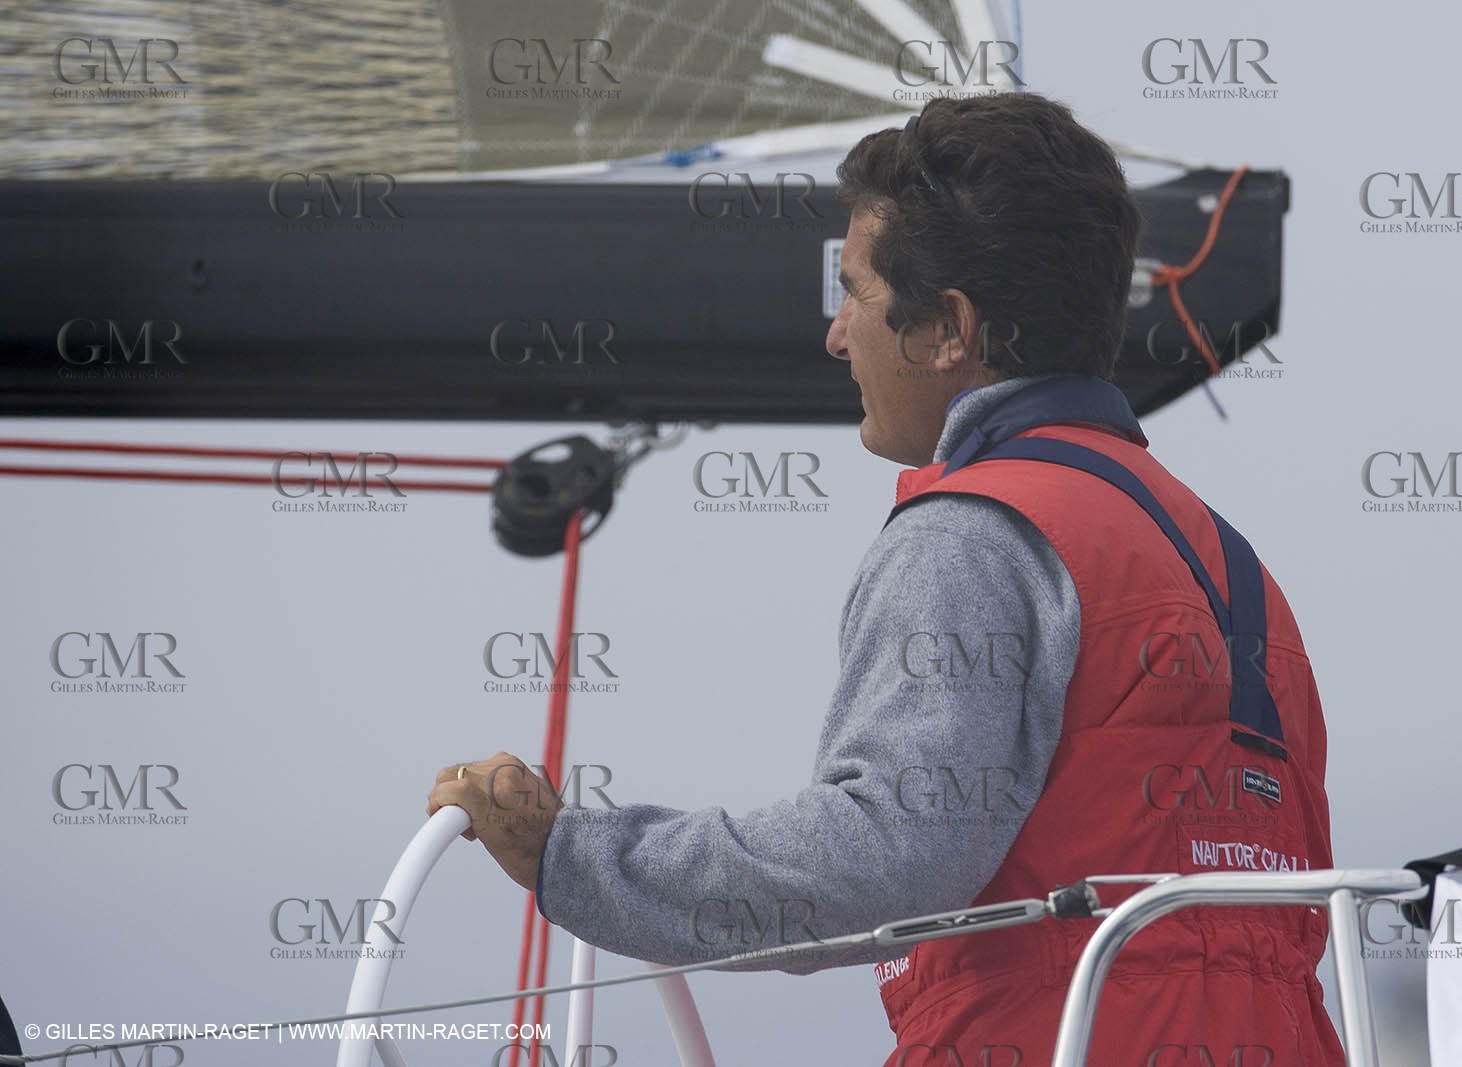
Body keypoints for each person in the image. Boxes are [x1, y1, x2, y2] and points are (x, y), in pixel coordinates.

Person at [430, 92, 1340, 1066]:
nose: (834, 334)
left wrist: (571, 856)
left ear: (947, 328)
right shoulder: (1225, 560)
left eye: (851, 289)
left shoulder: (970, 533)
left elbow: (883, 854)